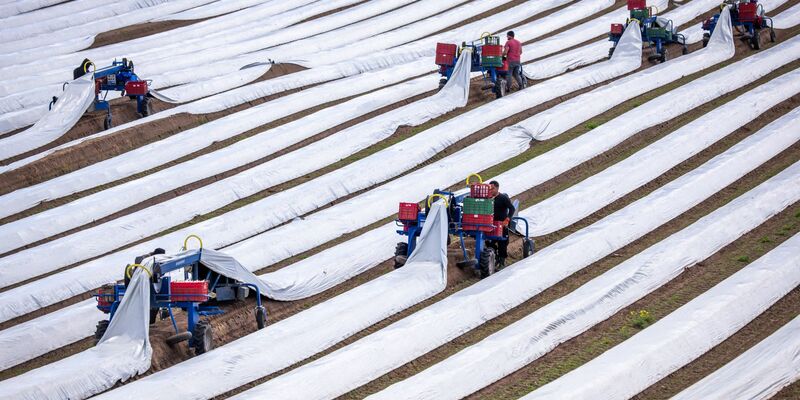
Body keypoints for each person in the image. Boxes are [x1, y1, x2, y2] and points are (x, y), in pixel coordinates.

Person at [489, 180, 515, 269]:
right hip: (491, 225)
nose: (491, 190)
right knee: (489, 242)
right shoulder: (488, 199)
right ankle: (495, 257)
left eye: (492, 189)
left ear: (497, 188)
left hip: (502, 225)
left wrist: (507, 220)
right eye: (489, 189)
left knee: (502, 243)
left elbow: (512, 209)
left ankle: (502, 263)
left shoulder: (503, 198)